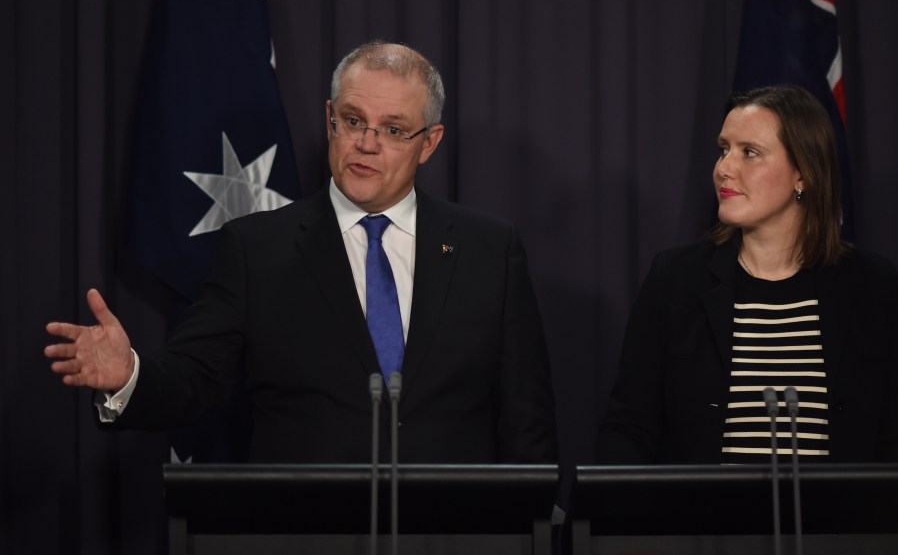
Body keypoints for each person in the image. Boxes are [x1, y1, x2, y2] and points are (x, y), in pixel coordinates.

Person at [45, 41, 558, 464]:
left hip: (457, 536)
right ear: (330, 119)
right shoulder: (255, 248)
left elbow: (525, 417)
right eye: (353, 121)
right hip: (308, 530)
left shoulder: (489, 249)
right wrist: (129, 375)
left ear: (430, 143)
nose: (367, 143)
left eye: (394, 129)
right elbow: (194, 377)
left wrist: (535, 527)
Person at [597, 84, 898, 464]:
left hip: (834, 523)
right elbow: (627, 429)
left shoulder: (872, 285)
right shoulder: (675, 279)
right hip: (707, 522)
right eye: (724, 150)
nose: (724, 168)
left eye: (750, 153)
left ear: (803, 174)